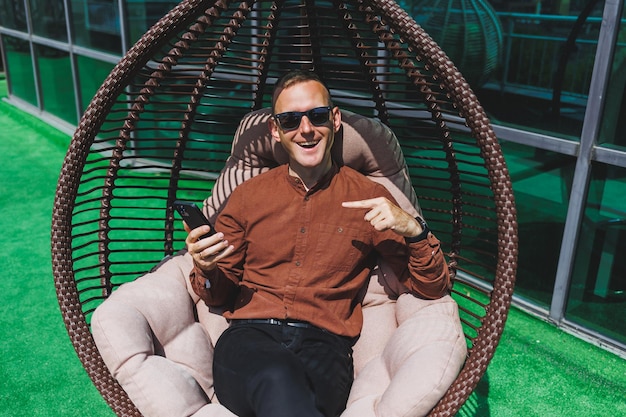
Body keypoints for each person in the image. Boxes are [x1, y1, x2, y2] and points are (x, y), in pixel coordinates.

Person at [185, 70, 450, 417]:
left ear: (335, 120)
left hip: (326, 347)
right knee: (277, 376)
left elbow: (431, 287)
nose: (306, 129)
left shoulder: (370, 198)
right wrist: (205, 269)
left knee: (291, 392)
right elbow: (218, 293)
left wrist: (414, 229)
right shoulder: (248, 196)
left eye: (317, 116)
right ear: (275, 132)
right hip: (249, 341)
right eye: (290, 120)